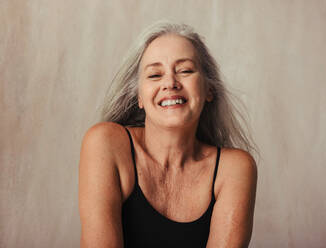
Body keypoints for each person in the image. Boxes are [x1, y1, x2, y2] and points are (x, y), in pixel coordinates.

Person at [78, 21, 257, 248]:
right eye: (154, 75)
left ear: (209, 89)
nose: (170, 83)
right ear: (139, 97)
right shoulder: (106, 144)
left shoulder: (234, 168)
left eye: (185, 71)